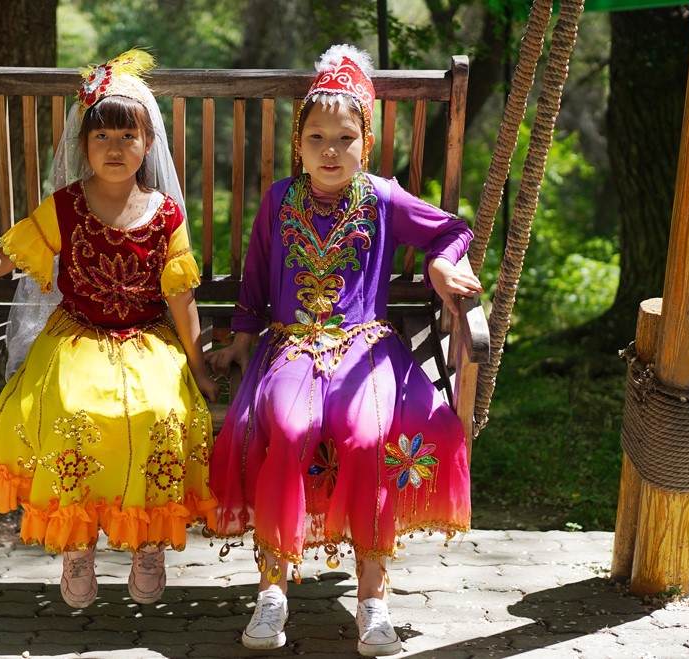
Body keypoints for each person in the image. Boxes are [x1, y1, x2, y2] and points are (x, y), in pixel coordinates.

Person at [0, 50, 219, 609]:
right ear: (83, 144)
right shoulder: (67, 206)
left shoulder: (165, 215)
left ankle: (148, 541)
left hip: (148, 338)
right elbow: (7, 258)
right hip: (78, 335)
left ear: (148, 144)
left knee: (160, 411)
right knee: (72, 409)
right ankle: (77, 544)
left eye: (127, 135)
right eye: (101, 135)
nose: (114, 147)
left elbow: (181, 297)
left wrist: (198, 368)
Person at [206, 44, 483, 657]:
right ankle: (272, 588)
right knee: (287, 428)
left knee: (366, 436)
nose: (330, 151)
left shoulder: (382, 197)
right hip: (291, 347)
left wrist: (440, 264)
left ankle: (373, 597)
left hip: (366, 352)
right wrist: (240, 343)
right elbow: (255, 283)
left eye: (345, 138)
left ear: (366, 142)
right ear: (298, 144)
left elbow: (454, 229)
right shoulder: (279, 200)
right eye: (317, 138)